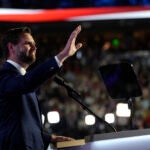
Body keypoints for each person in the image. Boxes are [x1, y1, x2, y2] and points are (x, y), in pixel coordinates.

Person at [0, 25, 82, 150]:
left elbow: (22, 125)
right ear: (11, 47)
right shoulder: (4, 77)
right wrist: (62, 56)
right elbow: (26, 83)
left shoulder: (23, 79)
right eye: (28, 43)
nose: (34, 47)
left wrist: (50, 138)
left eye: (34, 44)